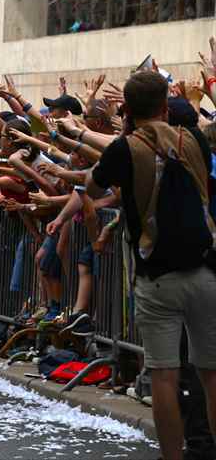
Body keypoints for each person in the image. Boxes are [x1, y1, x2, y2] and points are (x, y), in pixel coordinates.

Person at [87, 70, 216, 460]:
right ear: (164, 106)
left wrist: (97, 227)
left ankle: (171, 456)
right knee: (211, 374)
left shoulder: (123, 149)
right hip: (206, 271)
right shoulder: (192, 138)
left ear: (126, 108)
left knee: (163, 374)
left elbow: (91, 189)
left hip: (156, 277)